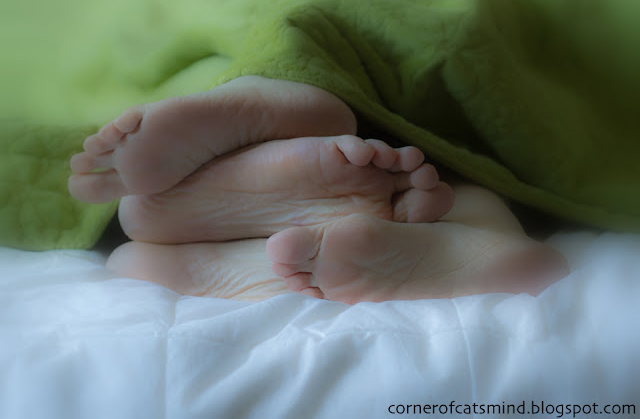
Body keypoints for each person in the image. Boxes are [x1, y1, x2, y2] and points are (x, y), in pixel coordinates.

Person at [69, 75, 569, 304]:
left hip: (171, 183)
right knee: (461, 188)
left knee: (133, 235)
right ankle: (461, 237)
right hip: (428, 139)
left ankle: (266, 106)